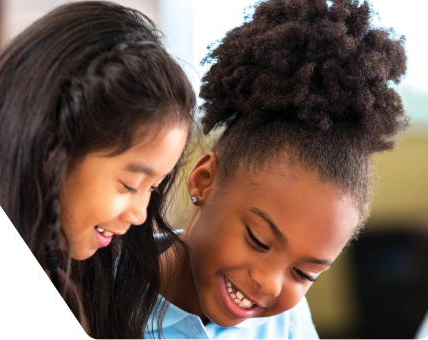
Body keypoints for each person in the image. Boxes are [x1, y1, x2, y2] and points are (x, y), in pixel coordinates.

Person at [145, 0, 408, 338]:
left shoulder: (287, 325)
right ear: (204, 181)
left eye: (303, 274)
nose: (269, 284)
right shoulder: (97, 289)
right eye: (258, 240)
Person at [0, 1, 195, 338]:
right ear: (52, 141)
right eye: (130, 185)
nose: (139, 214)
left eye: (153, 189)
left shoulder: (83, 267)